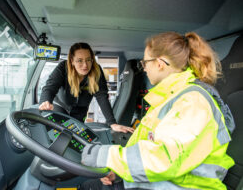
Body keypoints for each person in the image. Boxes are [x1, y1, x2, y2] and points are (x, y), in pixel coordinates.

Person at [81, 32, 235, 190]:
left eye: (145, 62)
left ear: (160, 63)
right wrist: (120, 171)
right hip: (158, 182)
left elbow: (165, 159)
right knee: (89, 186)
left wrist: (105, 156)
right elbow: (147, 146)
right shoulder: (169, 99)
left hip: (179, 186)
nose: (144, 68)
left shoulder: (193, 102)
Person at [39, 42, 134, 133]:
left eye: (88, 60)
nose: (85, 65)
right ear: (72, 61)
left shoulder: (97, 71)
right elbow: (50, 87)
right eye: (80, 60)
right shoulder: (63, 67)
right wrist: (45, 101)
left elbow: (102, 97)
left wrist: (112, 123)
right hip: (61, 106)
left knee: (75, 136)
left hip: (80, 111)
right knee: (57, 133)